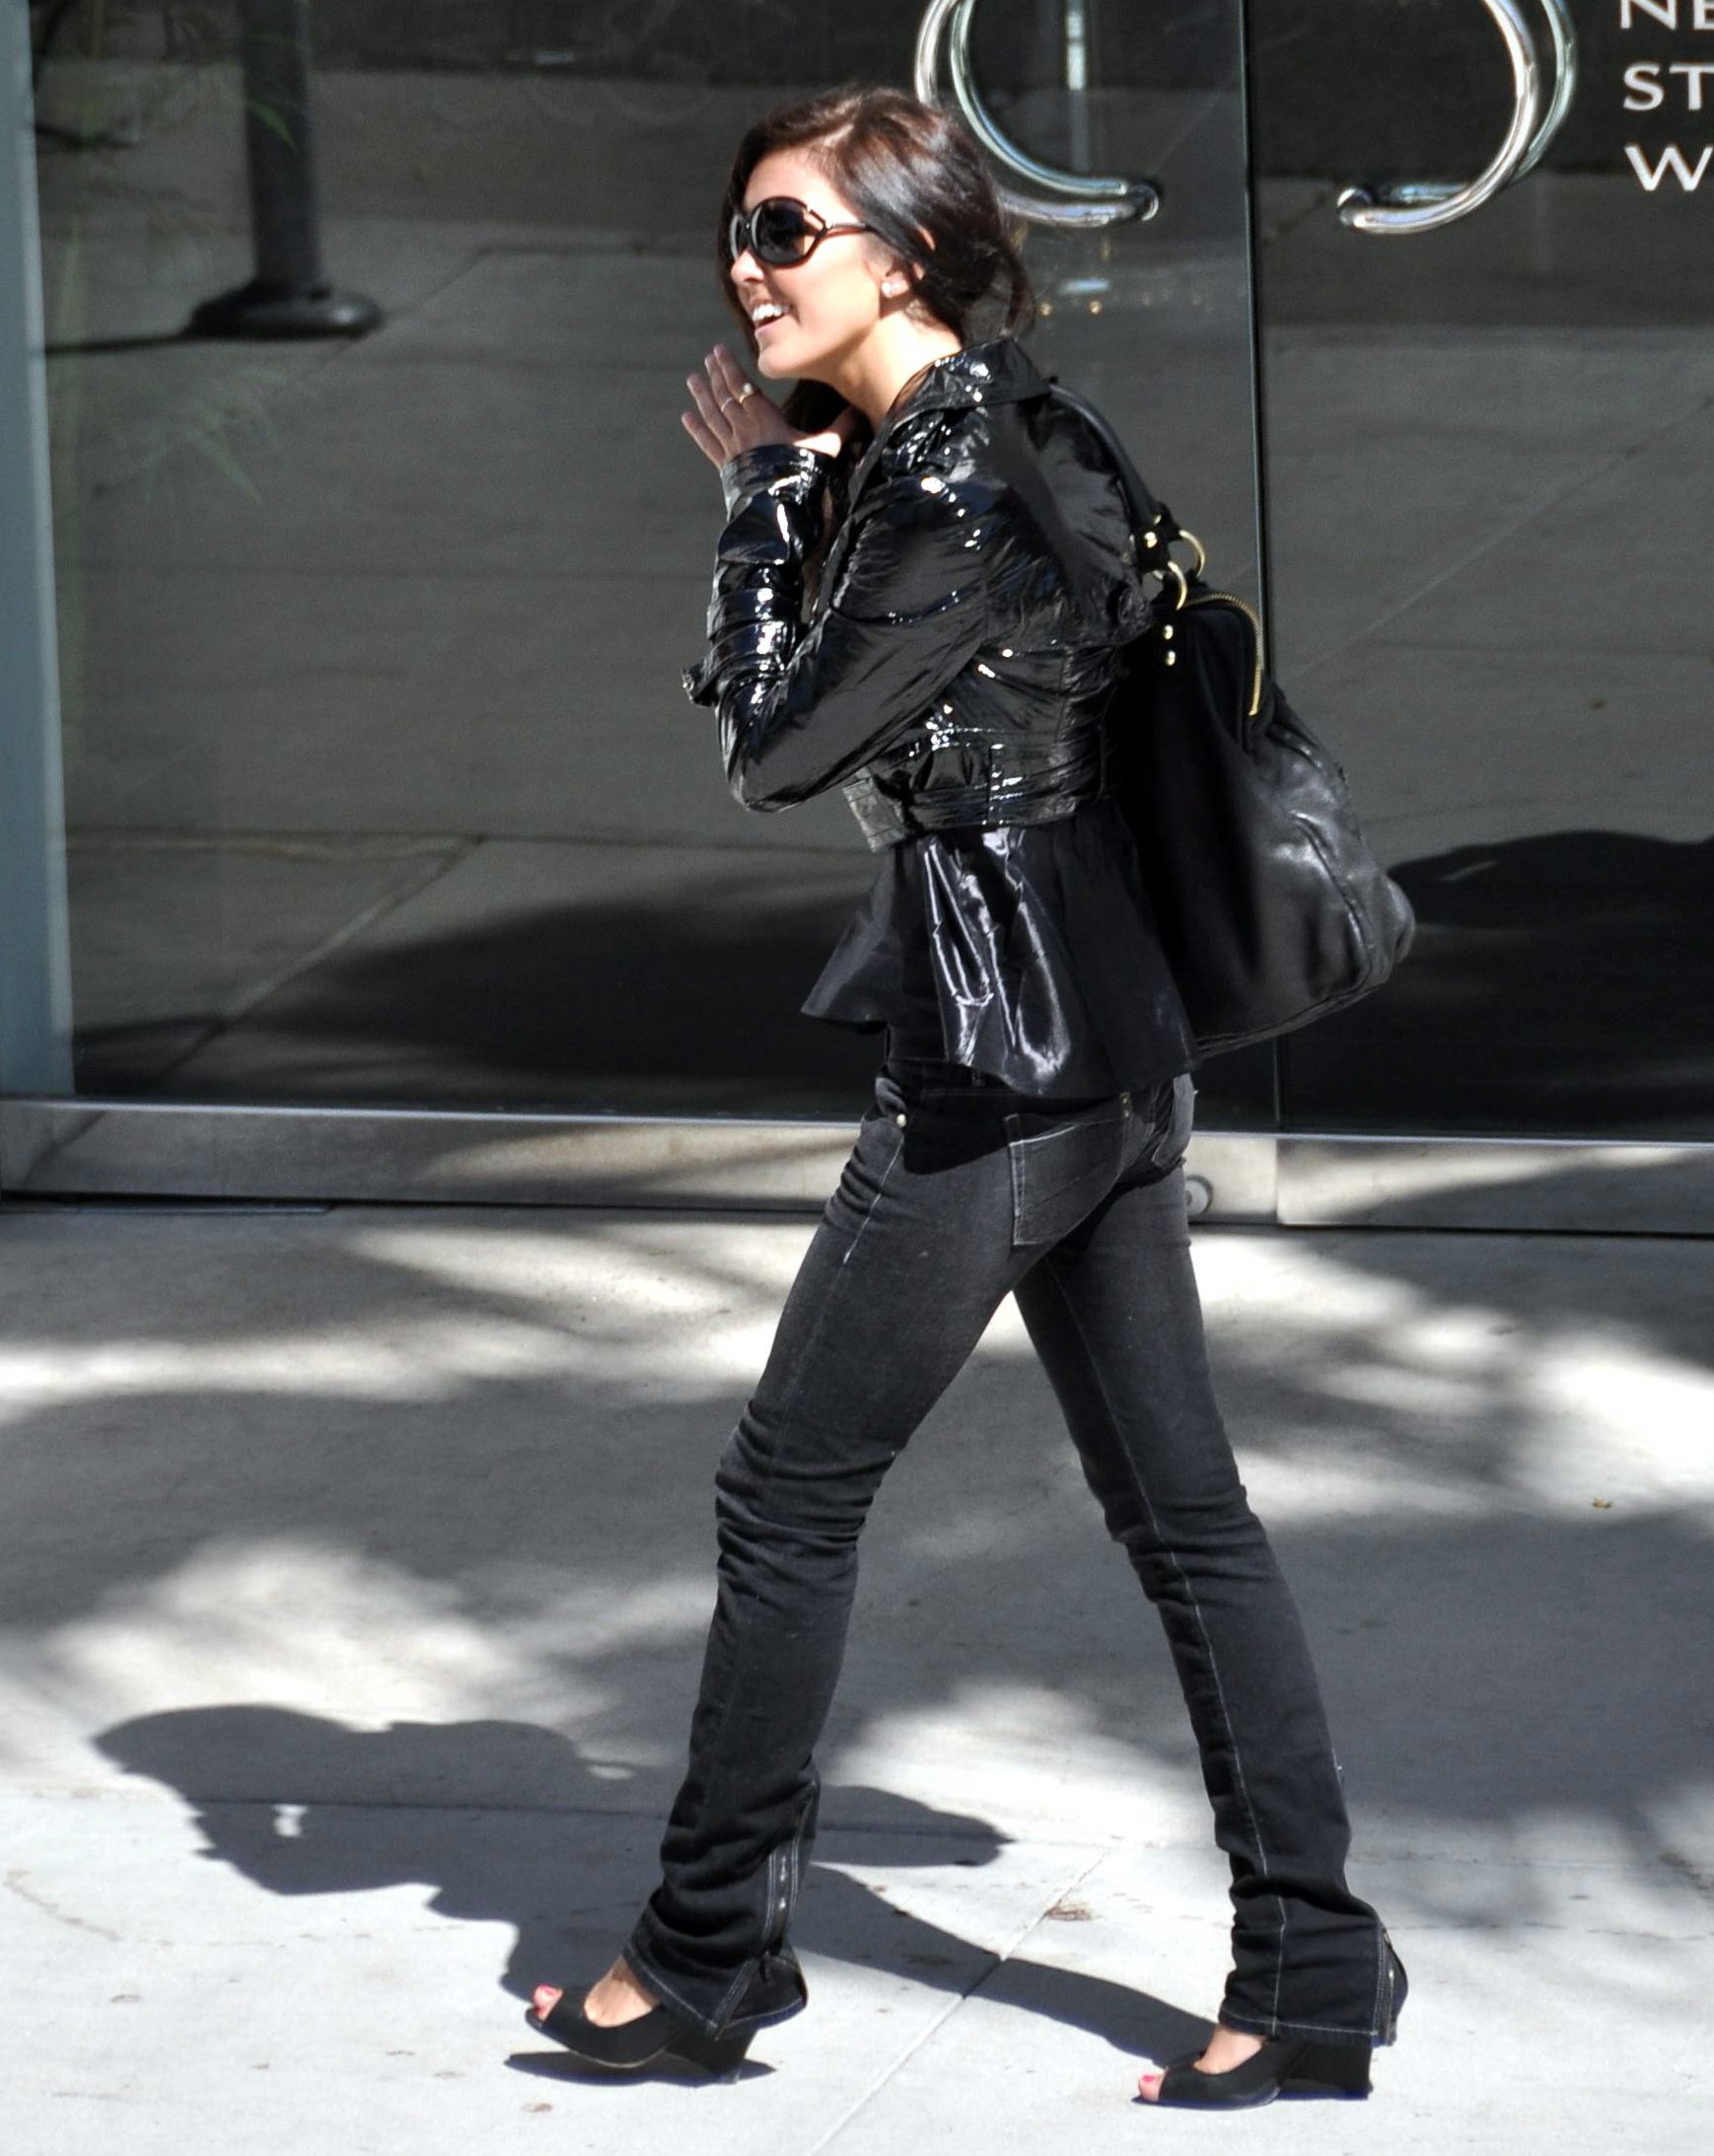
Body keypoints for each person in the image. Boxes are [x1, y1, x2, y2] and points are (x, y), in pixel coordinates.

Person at [524, 82, 1406, 2108]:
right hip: (1108, 1040)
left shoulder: (948, 493)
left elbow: (774, 749)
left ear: (907, 251)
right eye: (739, 228)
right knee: (1185, 1515)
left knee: (789, 1492)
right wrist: (803, 474)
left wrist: (757, 498)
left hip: (1000, 1063)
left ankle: (706, 1952)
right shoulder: (1016, 425)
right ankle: (1314, 1963)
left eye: (788, 233)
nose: (747, 269)